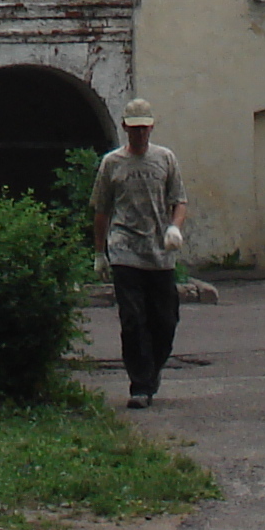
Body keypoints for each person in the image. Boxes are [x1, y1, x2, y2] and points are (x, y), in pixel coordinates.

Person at [91, 98, 186, 410]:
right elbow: (102, 209)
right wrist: (100, 253)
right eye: (134, 129)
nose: (140, 134)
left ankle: (153, 369)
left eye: (144, 128)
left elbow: (179, 199)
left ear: (152, 126)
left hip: (159, 252)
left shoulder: (165, 159)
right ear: (125, 129)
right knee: (133, 319)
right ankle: (140, 385)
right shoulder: (112, 164)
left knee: (165, 320)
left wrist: (175, 227)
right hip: (124, 249)